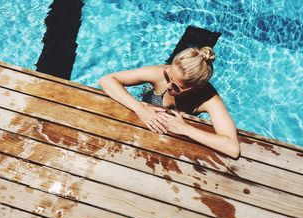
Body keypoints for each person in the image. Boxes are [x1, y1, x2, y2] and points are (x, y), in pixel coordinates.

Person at [98, 47, 240, 159]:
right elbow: (106, 80)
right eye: (168, 77)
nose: (167, 86)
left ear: (196, 88)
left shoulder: (209, 98)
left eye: (176, 87)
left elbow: (232, 148)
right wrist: (140, 108)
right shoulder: (160, 72)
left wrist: (186, 129)